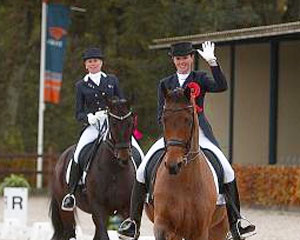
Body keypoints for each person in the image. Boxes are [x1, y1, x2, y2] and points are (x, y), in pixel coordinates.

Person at [118, 41, 256, 240]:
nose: (182, 61)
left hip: (199, 132)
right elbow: (160, 114)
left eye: (186, 58)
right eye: (178, 58)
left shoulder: (199, 78)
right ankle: (133, 223)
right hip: (173, 135)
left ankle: (236, 223)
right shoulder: (165, 83)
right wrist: (170, 131)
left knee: (227, 170)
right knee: (141, 170)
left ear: (192, 58)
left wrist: (213, 62)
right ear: (174, 61)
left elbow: (222, 86)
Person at [61, 47, 144, 211]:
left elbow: (122, 101)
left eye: (96, 61)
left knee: (138, 151)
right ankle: (71, 193)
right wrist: (89, 117)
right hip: (93, 125)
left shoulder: (111, 80)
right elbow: (78, 112)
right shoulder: (81, 85)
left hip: (114, 123)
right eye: (90, 61)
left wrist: (117, 112)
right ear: (86, 65)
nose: (93, 64)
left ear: (101, 63)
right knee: (78, 153)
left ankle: (144, 189)